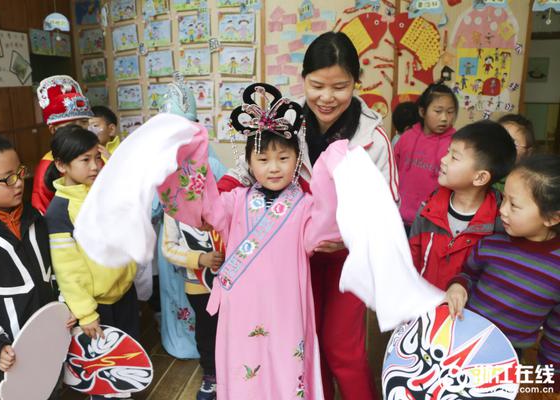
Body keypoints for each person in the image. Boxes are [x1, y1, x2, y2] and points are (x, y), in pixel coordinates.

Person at [72, 86, 442, 400]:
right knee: (244, 368)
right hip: (241, 308)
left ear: (298, 160)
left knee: (286, 365)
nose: (274, 166)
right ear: (249, 162)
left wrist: (332, 170)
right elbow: (201, 210)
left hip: (286, 310)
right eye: (263, 158)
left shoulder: (308, 205)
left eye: (284, 157)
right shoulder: (233, 202)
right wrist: (189, 151)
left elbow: (326, 230)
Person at [216, 32, 398, 399]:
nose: (327, 97)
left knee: (342, 348)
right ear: (303, 80)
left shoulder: (373, 138)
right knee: (301, 342)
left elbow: (388, 208)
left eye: (340, 87)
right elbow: (246, 168)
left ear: (356, 84)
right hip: (291, 259)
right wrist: (217, 199)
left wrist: (349, 235)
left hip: (348, 260)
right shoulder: (286, 120)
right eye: (317, 85)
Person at [0, 133, 68, 396]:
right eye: (7, 179)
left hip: (50, 343)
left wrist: (66, 305)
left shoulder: (36, 220)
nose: (19, 182)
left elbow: (56, 272)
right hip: (9, 356)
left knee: (51, 391)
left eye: (19, 172)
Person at [446, 154, 560, 391]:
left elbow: (556, 333)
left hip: (505, 361)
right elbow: (468, 275)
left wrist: (550, 380)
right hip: (459, 345)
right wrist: (457, 286)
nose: (502, 210)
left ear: (552, 217)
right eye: (503, 199)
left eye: (514, 205)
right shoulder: (492, 244)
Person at [44, 126, 138, 347]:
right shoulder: (59, 211)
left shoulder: (102, 192)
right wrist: (86, 313)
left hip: (125, 292)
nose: (95, 166)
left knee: (131, 354)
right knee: (107, 368)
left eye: (97, 157)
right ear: (61, 165)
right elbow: (67, 269)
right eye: (85, 160)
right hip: (97, 305)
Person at [409, 121, 516, 290]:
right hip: (423, 306)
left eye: (454, 157)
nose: (443, 160)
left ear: (480, 178)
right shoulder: (428, 208)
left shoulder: (499, 223)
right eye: (447, 152)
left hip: (466, 314)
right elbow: (411, 259)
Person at [162, 214, 223, 400]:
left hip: (233, 277)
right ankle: (211, 374)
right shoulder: (173, 206)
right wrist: (199, 258)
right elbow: (168, 247)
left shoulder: (228, 192)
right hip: (197, 283)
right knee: (207, 329)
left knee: (236, 327)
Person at [395, 82, 458, 232]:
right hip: (397, 216)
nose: (444, 118)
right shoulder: (407, 137)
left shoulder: (456, 143)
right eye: (438, 111)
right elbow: (392, 173)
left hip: (431, 220)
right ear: (422, 112)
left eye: (450, 112)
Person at [32, 75, 93, 214]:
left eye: (84, 122)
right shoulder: (48, 165)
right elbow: (42, 211)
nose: (79, 129)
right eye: (71, 125)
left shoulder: (97, 153)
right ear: (53, 129)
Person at [493, 113, 535, 192]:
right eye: (498, 140)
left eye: (513, 143)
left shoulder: (526, 183)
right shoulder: (483, 171)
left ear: (528, 153)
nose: (503, 147)